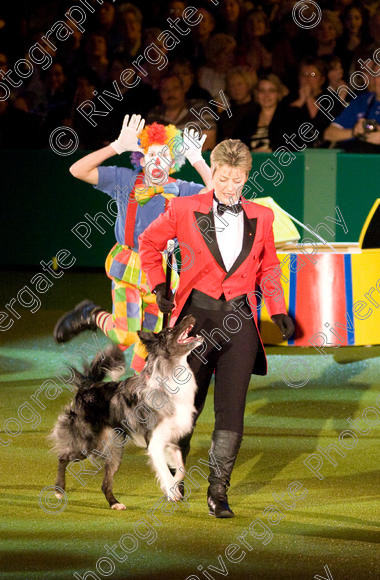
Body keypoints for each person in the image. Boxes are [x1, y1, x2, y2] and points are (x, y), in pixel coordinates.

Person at [138, 139, 295, 517]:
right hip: (196, 321)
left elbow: (269, 267)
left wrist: (278, 309)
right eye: (223, 178)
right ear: (214, 172)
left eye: (236, 180)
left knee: (232, 410)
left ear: (246, 177)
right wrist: (159, 284)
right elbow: (148, 242)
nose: (228, 186)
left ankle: (218, 491)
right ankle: (178, 468)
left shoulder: (262, 216)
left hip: (239, 320)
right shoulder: (183, 208)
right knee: (186, 407)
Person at [53, 115, 212, 371]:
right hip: (129, 265)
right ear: (141, 157)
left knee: (149, 345)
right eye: (151, 155)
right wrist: (115, 147)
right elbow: (77, 170)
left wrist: (198, 160)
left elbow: (220, 197)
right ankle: (91, 314)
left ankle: (136, 395)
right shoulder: (125, 180)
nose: (157, 162)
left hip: (162, 273)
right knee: (126, 336)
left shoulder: (182, 189)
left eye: (164, 156)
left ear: (173, 162)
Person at [324, 62, 380, 152]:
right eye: (378, 75)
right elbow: (329, 134)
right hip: (360, 159)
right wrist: (355, 132)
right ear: (373, 79)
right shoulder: (362, 101)